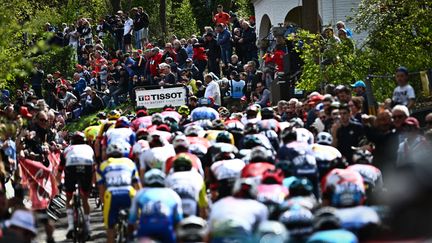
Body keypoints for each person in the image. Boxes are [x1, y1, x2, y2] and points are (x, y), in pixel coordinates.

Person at [97, 141, 141, 243]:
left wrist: (103, 202)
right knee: (135, 223)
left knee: (110, 228)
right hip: (129, 193)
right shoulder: (130, 163)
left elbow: (101, 188)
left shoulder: (103, 165)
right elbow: (137, 185)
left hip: (112, 194)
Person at [128, 169, 183, 243]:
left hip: (145, 229)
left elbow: (132, 218)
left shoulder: (140, 193)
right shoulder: (173, 194)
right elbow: (179, 220)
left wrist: (130, 235)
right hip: (166, 229)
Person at [57, 132, 94, 239]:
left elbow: (59, 171)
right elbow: (94, 168)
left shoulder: (67, 149)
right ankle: (88, 226)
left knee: (69, 196)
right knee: (85, 198)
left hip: (71, 168)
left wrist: (60, 185)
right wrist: (93, 183)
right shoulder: (88, 148)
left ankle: (71, 226)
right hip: (86, 167)